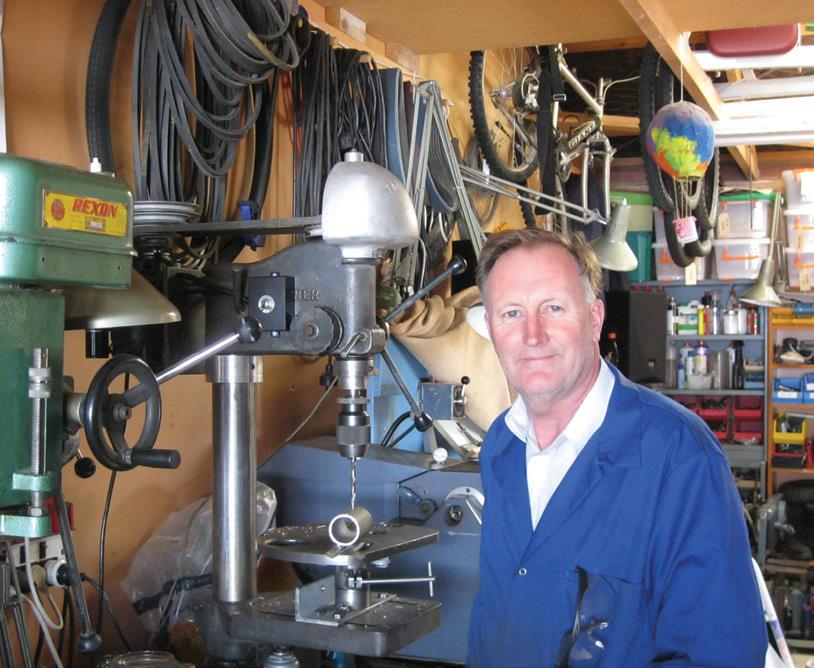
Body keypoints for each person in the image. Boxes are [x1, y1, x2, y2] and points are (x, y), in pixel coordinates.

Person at [467, 228, 767, 667]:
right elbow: (499, 617)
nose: (532, 335)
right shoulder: (501, 445)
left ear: (593, 319)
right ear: (491, 328)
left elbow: (722, 654)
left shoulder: (679, 456)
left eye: (553, 308)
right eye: (511, 313)